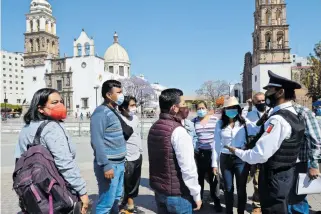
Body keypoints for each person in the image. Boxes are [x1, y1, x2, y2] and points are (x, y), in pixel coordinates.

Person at [225, 70, 305, 214]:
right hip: (286, 174)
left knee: (273, 209)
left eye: (269, 90)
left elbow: (259, 155)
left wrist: (236, 151)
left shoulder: (278, 120)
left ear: (280, 92)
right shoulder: (294, 115)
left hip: (273, 177)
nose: (267, 95)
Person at [14, 88, 89, 214]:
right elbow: (65, 163)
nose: (60, 105)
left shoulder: (26, 127)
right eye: (54, 102)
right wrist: (82, 192)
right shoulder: (52, 128)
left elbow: (19, 159)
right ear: (40, 108)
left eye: (61, 101)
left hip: (34, 190)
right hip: (56, 190)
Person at [148, 88, 202, 214]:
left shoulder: (155, 127)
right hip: (178, 195)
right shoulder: (178, 131)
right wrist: (196, 194)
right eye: (183, 104)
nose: (186, 107)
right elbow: (188, 167)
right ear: (174, 108)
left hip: (160, 191)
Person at [212, 96, 258, 214]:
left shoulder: (244, 122)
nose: (231, 110)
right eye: (228, 108)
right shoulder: (220, 123)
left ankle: (241, 212)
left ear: (238, 109)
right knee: (228, 188)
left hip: (241, 158)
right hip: (225, 158)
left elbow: (258, 130)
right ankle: (229, 212)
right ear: (224, 110)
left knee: (241, 188)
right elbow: (216, 143)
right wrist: (214, 163)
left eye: (234, 108)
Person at [90, 80, 126, 214]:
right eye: (119, 93)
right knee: (106, 202)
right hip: (110, 165)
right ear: (109, 95)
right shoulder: (101, 113)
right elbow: (96, 141)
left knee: (115, 199)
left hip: (119, 163)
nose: (122, 95)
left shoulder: (113, 110)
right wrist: (106, 165)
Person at [287, 103, 321, 214]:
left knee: (298, 198)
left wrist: (314, 165)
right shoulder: (274, 111)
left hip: (299, 162)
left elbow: (316, 140)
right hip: (281, 163)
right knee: (286, 197)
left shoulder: (303, 112)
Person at [193, 101, 222, 212]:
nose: (201, 110)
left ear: (206, 108)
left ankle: (216, 201)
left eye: (203, 108)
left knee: (214, 179)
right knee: (199, 179)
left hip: (212, 153)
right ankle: (198, 201)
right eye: (199, 108)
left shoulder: (215, 120)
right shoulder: (194, 121)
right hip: (200, 154)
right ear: (196, 110)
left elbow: (219, 136)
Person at [118, 96, 144, 214]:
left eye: (135, 105)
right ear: (123, 108)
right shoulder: (119, 119)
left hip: (137, 154)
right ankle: (129, 206)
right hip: (127, 157)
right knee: (127, 183)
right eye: (131, 105)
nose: (134, 108)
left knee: (134, 182)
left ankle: (128, 203)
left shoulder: (136, 118)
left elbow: (138, 135)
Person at [246, 92, 268, 214]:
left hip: (271, 150)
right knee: (257, 180)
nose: (261, 103)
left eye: (263, 100)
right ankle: (257, 205)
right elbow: (251, 130)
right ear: (254, 102)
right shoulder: (251, 114)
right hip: (257, 150)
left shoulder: (272, 111)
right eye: (258, 101)